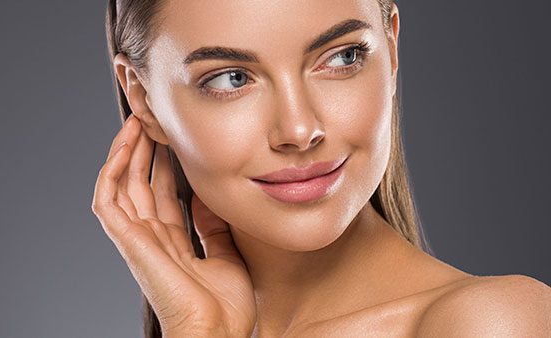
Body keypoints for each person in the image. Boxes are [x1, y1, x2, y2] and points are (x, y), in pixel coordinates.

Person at [91, 0, 551, 336]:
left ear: (390, 49)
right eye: (231, 78)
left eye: (342, 57)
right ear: (144, 99)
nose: (298, 128)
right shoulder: (202, 326)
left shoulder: (492, 323)